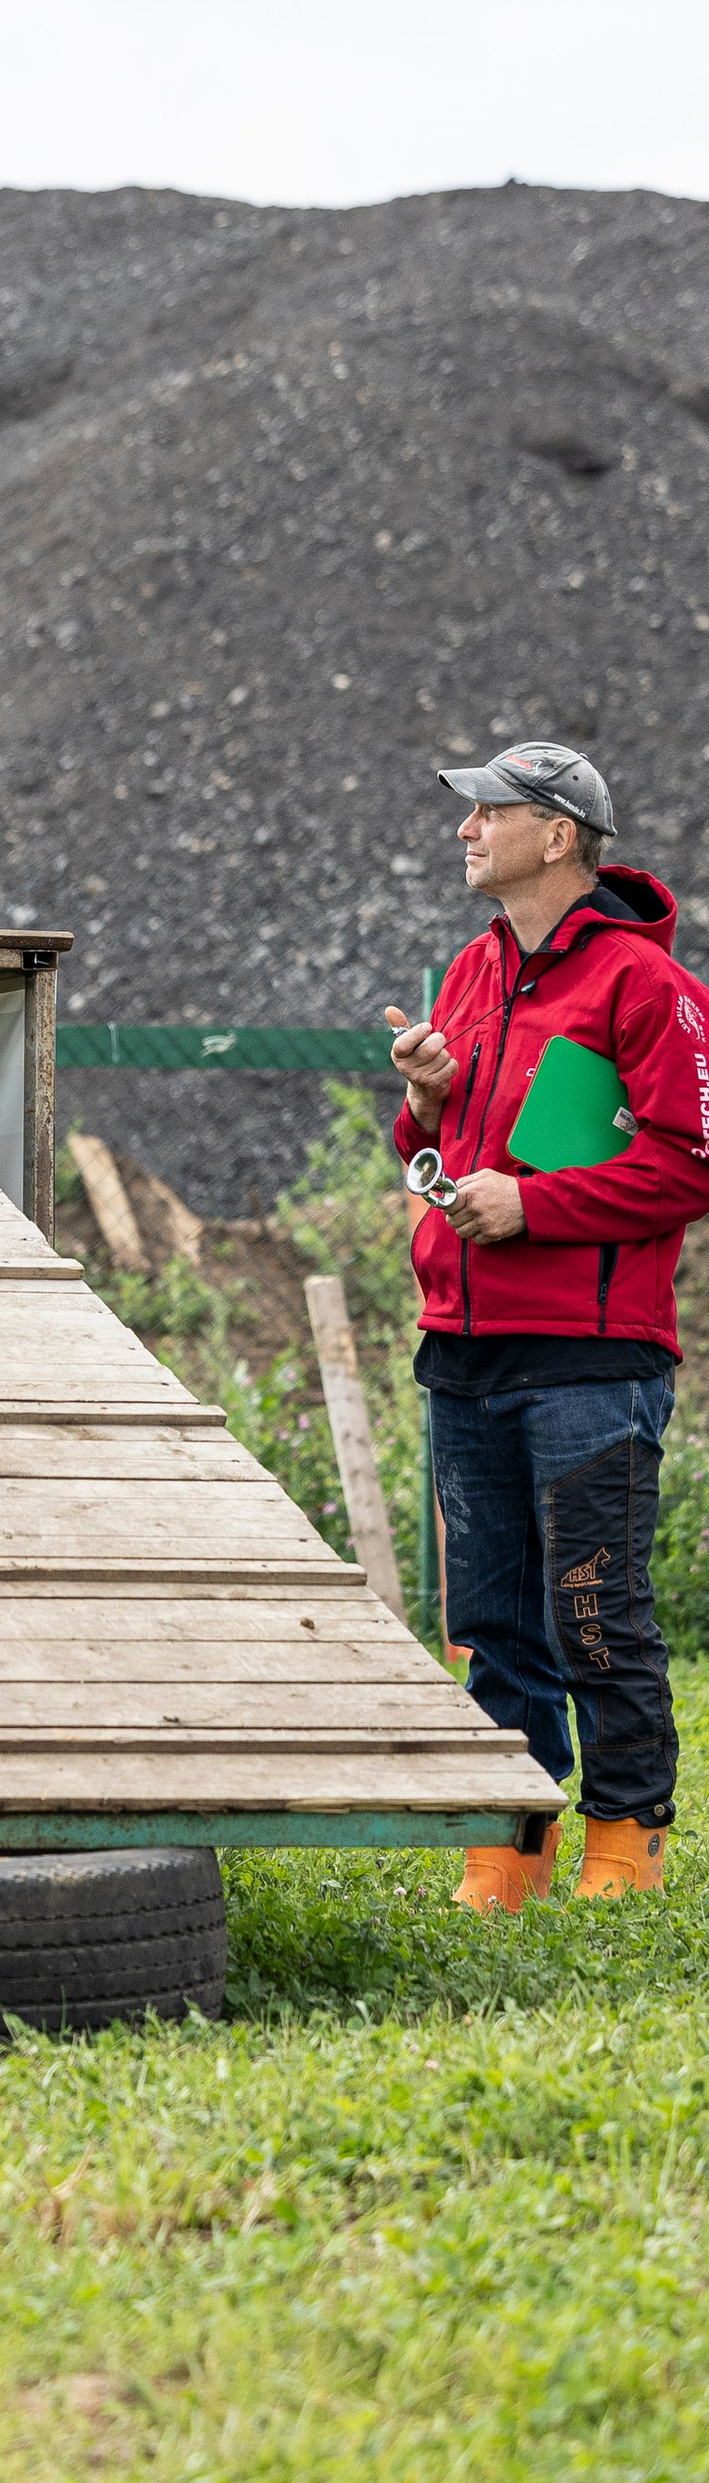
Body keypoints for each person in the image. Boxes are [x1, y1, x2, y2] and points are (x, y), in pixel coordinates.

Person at [389, 740, 709, 1909]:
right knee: (486, 1616)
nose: (466, 830)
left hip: (590, 1357)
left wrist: (533, 1203)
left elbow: (687, 1162)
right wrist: (421, 1099)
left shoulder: (648, 987)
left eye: (490, 812)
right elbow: (440, 1153)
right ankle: (507, 1842)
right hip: (461, 1346)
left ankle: (625, 1840)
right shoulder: (471, 973)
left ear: (559, 835)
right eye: (466, 811)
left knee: (593, 1606)